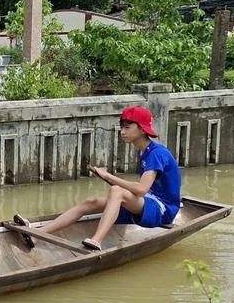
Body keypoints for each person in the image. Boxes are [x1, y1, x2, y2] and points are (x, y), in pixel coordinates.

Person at [13, 106, 181, 251]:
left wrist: (109, 176)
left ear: (142, 129)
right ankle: (37, 234)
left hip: (163, 209)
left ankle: (96, 240)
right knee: (91, 202)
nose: (122, 131)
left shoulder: (156, 153)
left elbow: (141, 189)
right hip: (148, 201)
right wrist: (105, 177)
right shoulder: (143, 151)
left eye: (128, 127)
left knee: (117, 191)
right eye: (122, 127)